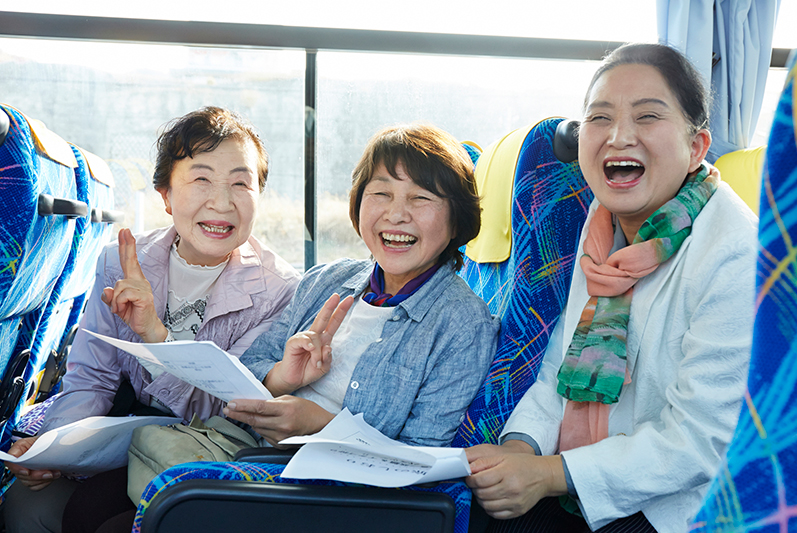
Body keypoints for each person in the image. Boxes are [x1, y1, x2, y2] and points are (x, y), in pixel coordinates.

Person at [465, 43, 758, 533]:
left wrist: (550, 473)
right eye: (600, 118)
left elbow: (700, 441)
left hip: (682, 504)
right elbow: (558, 366)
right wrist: (519, 450)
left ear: (696, 148)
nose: (619, 136)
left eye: (647, 117)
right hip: (584, 473)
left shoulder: (737, 253)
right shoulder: (598, 227)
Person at [3, 106, 300, 533]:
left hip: (207, 448)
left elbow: (228, 408)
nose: (222, 201)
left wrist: (156, 336)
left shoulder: (278, 290)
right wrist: (52, 449)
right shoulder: (122, 262)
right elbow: (92, 377)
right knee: (25, 502)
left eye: (241, 182)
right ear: (165, 195)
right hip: (125, 431)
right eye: (201, 180)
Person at [223, 123, 498, 449]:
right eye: (381, 194)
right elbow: (240, 380)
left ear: (457, 221)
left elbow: (424, 458)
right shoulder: (324, 281)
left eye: (420, 198)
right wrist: (284, 377)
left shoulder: (463, 324)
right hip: (241, 450)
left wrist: (321, 427)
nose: (396, 214)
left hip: (333, 491)